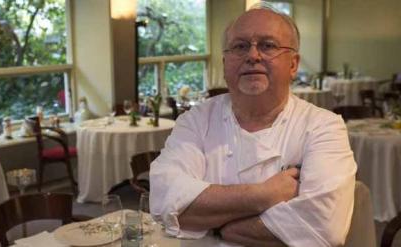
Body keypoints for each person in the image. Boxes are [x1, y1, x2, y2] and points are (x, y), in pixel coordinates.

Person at [149, 5, 356, 247]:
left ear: (293, 64)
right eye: (240, 46)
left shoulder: (323, 126)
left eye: (268, 45)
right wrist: (264, 194)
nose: (253, 56)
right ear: (225, 63)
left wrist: (218, 225)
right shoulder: (195, 120)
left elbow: (323, 227)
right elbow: (164, 199)